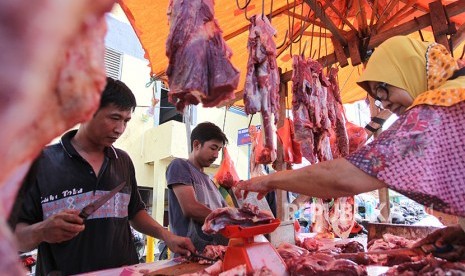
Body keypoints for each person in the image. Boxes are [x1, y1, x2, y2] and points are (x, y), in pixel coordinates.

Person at [237, 36, 465, 260]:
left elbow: (346, 177)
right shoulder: (456, 97)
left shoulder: (441, 108)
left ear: (408, 69)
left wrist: (271, 180)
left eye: (383, 89)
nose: (383, 102)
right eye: (377, 97)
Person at [12, 77, 195, 275]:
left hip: (125, 270)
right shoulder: (40, 163)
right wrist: (42, 231)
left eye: (126, 121)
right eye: (114, 118)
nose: (120, 129)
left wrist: (166, 235)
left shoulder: (122, 160)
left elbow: (134, 212)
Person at [166, 122, 230, 252]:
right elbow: (190, 208)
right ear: (196, 145)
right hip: (189, 256)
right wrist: (231, 221)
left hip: (215, 254)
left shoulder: (211, 182)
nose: (216, 155)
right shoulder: (180, 166)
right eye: (213, 148)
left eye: (219, 150)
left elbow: (225, 211)